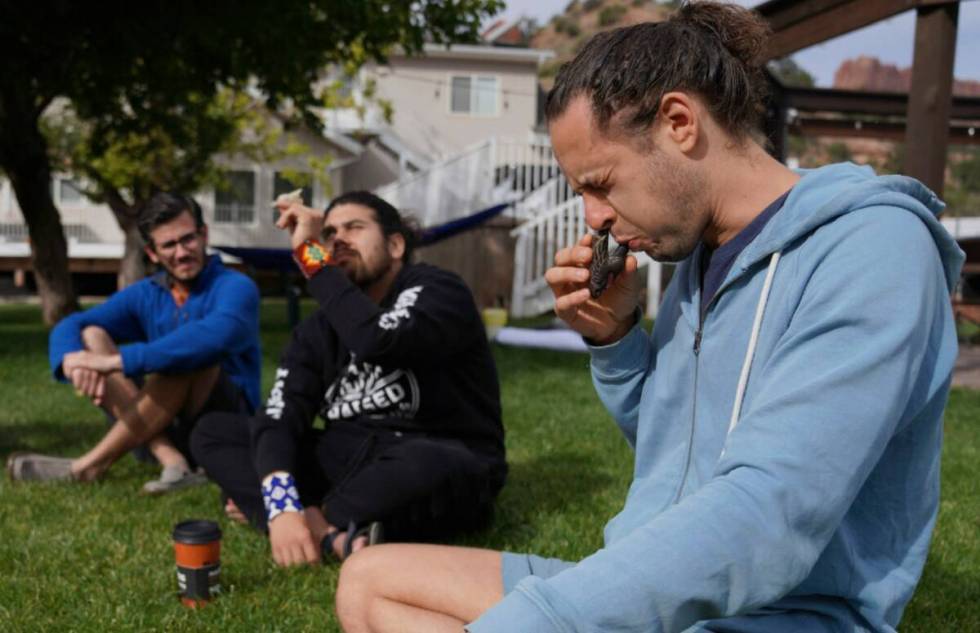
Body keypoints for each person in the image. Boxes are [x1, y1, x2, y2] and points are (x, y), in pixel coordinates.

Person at [331, 2, 964, 632]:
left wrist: (543, 620)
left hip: (788, 612)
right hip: (670, 589)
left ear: (679, 122)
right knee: (370, 581)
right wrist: (615, 340)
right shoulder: (700, 255)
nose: (593, 218)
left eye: (600, 182)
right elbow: (682, 453)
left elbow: (768, 517)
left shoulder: (874, 248)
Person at [190, 190, 506, 566]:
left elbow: (378, 340)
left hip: (431, 457)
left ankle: (318, 525)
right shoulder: (318, 330)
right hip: (350, 461)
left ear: (395, 244)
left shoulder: (438, 291)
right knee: (214, 431)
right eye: (329, 233)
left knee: (435, 460)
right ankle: (327, 533)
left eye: (354, 228)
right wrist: (280, 500)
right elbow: (280, 416)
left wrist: (310, 255)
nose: (337, 240)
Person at [6, 192, 261, 494]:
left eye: (188, 240)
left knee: (189, 354)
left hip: (224, 428)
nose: (181, 253)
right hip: (161, 424)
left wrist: (116, 362)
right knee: (91, 336)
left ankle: (87, 467)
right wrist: (71, 361)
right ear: (153, 253)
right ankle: (171, 458)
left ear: (203, 235)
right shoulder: (146, 293)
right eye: (169, 245)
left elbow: (217, 336)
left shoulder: (236, 286)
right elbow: (72, 324)